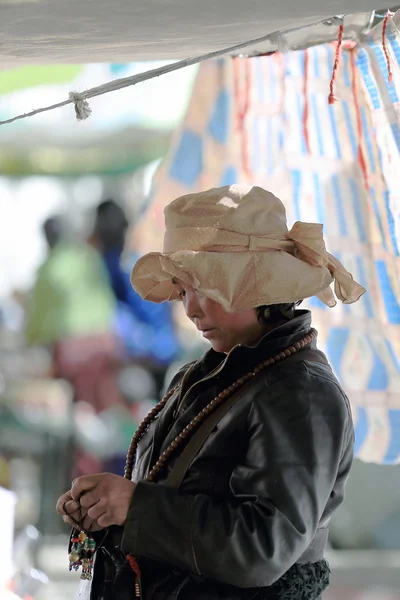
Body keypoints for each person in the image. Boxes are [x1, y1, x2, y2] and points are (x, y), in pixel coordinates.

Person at [57, 185, 366, 600]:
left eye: (203, 286)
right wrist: (107, 508)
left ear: (256, 286)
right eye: (183, 290)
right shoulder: (207, 373)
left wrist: (135, 506)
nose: (190, 308)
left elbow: (264, 546)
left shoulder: (301, 392)